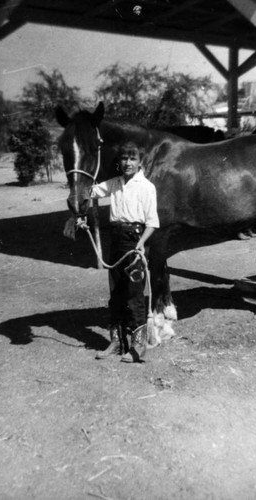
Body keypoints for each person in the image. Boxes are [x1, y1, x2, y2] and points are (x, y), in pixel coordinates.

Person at [89, 140, 160, 363]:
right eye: (124, 158)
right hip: (115, 239)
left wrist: (141, 243)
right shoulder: (114, 184)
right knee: (116, 292)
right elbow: (90, 191)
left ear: (140, 162)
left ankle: (139, 346)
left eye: (132, 159)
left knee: (134, 293)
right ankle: (117, 341)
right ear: (119, 161)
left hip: (134, 242)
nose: (127, 163)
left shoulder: (147, 187)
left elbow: (152, 223)